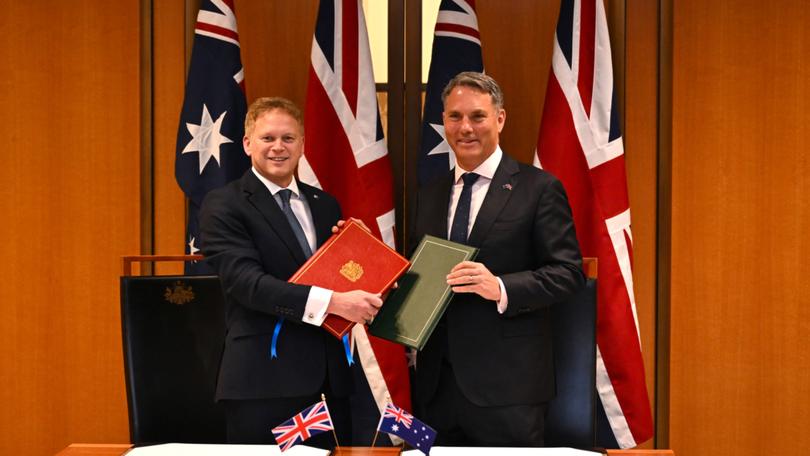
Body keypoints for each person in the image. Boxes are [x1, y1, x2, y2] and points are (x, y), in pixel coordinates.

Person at [409, 72, 586, 446]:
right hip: (436, 386)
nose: (465, 128)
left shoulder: (539, 188)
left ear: (500, 119)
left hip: (509, 389)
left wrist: (501, 287)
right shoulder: (428, 194)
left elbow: (568, 273)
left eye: (477, 116)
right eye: (454, 117)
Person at [199, 97, 382, 447]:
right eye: (268, 138)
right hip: (264, 384)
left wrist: (363, 254)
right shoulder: (224, 204)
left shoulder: (325, 204)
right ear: (248, 143)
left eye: (288, 138)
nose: (278, 147)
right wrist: (334, 302)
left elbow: (340, 277)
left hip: (330, 384)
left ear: (302, 144)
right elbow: (247, 284)